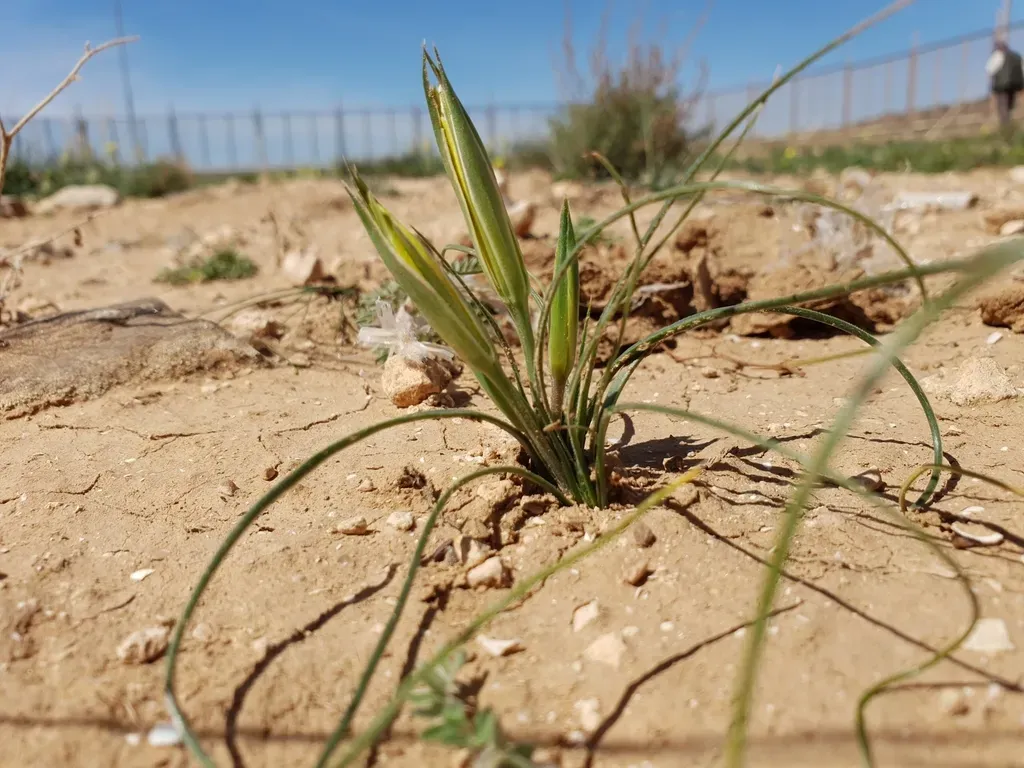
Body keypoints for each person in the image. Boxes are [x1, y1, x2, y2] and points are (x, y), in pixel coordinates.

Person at [987, 39, 1024, 136]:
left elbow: (990, 69)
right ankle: (1009, 124)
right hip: (1014, 85)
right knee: (1009, 105)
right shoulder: (1017, 56)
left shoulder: (998, 55)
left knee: (1002, 106)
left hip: (1001, 86)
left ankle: (1005, 127)